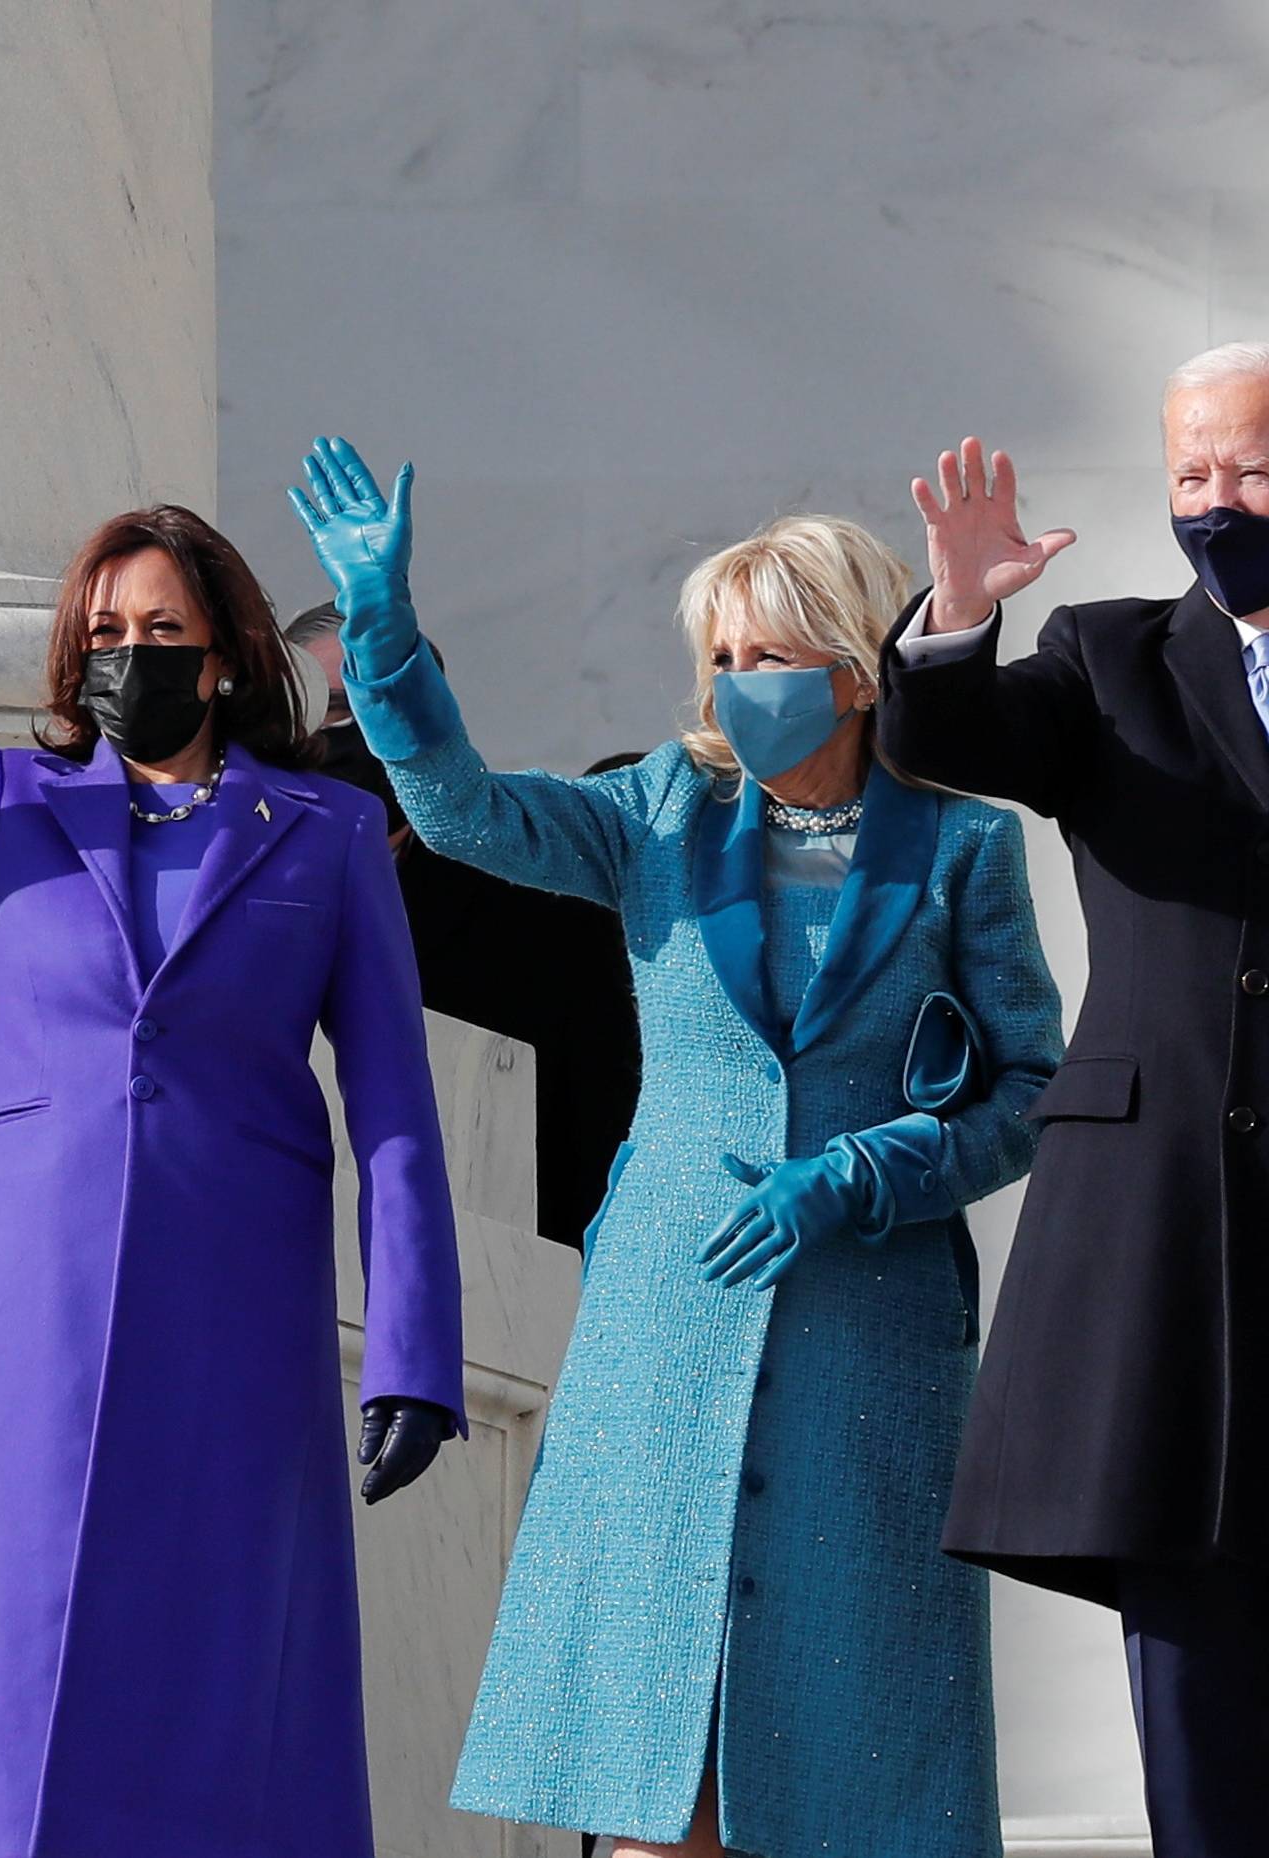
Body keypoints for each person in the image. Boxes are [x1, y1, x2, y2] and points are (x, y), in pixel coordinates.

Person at [289, 437, 1062, 1858]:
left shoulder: (962, 848)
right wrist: (386, 635)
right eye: (714, 655)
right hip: (668, 1320)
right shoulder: (661, 810)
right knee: (659, 1767)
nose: (727, 685)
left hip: (868, 1342)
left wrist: (867, 1171)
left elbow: (1028, 1087)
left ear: (847, 664)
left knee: (855, 1758)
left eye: (762, 652)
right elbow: (464, 810)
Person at [0, 409, 466, 1858]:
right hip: (16, 1302)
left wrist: (417, 1351)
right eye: (106, 627)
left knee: (216, 1658)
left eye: (164, 623)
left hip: (232, 1304)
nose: (131, 650)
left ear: (229, 651)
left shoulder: (319, 831)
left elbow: (392, 1101)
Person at [877, 341, 1269, 1858]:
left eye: (1245, 469)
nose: (1213, 503)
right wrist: (964, 611)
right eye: (1188, 473)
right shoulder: (1110, 660)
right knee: (1195, 1665)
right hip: (1169, 1239)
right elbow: (943, 737)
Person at [288, 601, 643, 1247]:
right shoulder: (218, 892)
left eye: (386, 707)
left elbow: (592, 1112)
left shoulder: (536, 908)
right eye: (336, 709)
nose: (358, 733)